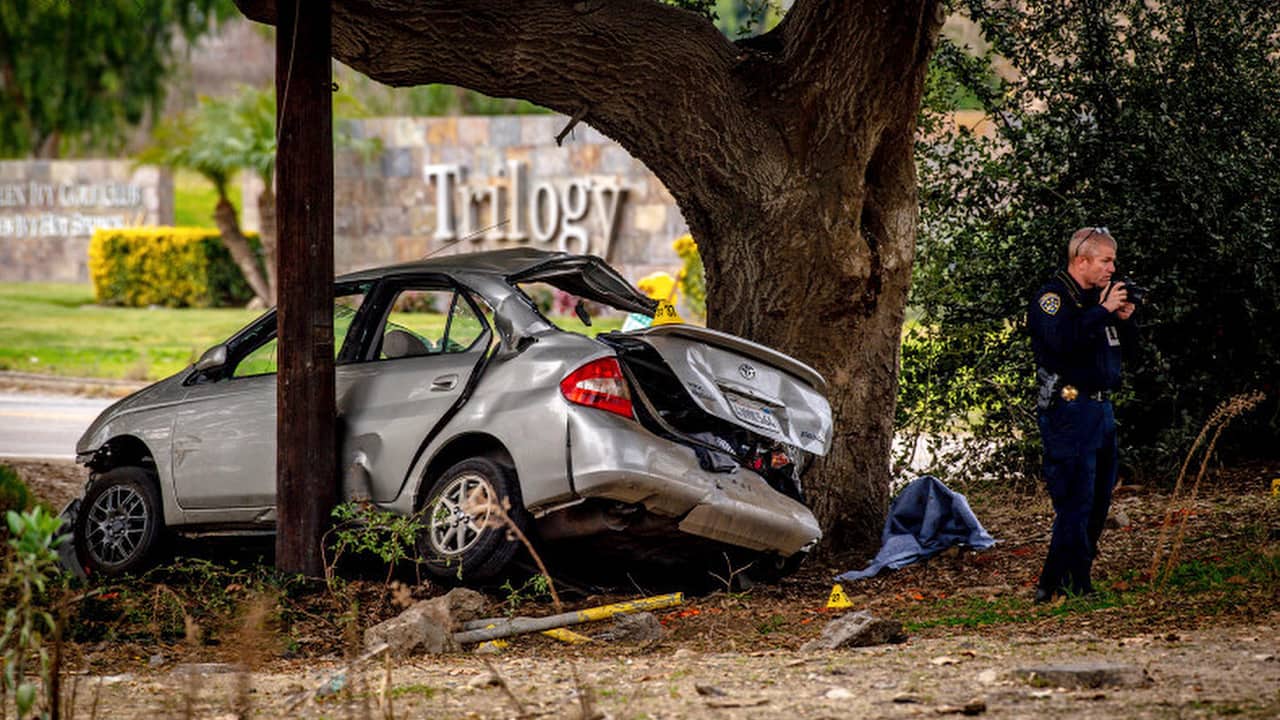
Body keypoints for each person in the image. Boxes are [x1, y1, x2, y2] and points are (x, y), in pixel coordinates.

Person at [1027, 226, 1136, 603]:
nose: (1112, 268)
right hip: (1069, 408)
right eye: (1106, 260)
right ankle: (1068, 583)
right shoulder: (1053, 298)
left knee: (1098, 500)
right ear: (1081, 260)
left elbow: (1119, 354)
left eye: (1113, 261)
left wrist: (1121, 317)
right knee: (1075, 499)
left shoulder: (1097, 302)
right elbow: (1063, 343)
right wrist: (1102, 311)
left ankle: (1060, 581)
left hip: (1101, 409)